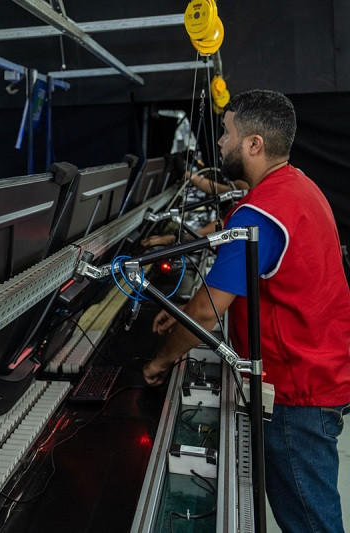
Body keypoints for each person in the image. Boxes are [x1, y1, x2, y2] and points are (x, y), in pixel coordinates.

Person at [142, 90, 350, 532]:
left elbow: (204, 314)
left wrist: (161, 359)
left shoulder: (262, 211)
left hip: (299, 396)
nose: (219, 142)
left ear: (254, 144)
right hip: (323, 369)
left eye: (226, 132)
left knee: (311, 523)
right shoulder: (296, 185)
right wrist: (181, 306)